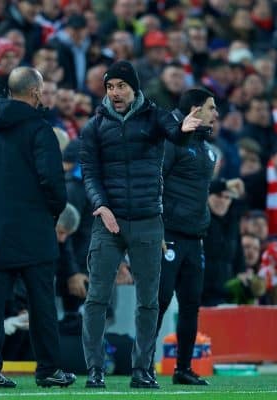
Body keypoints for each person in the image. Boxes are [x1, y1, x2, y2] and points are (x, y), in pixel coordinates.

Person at [80, 60, 202, 390]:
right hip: (109, 222)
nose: (115, 92)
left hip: (148, 221)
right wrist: (100, 205)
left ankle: (142, 370)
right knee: (97, 299)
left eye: (120, 86)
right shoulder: (93, 126)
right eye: (109, 86)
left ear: (134, 88)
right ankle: (94, 370)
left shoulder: (154, 115)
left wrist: (186, 129)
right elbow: (89, 174)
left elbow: (175, 133)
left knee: (149, 301)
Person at [0, 66, 76, 389]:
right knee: (41, 300)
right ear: (34, 92)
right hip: (33, 230)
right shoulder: (39, 129)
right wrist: (52, 212)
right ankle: (48, 369)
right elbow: (54, 183)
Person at [154, 88, 219, 386]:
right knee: (160, 300)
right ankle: (141, 365)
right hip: (169, 234)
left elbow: (196, 192)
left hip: (195, 238)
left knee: (191, 304)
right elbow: (156, 185)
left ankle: (183, 368)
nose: (216, 113)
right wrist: (157, 230)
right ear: (195, 109)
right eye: (211, 107)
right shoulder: (172, 142)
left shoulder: (207, 148)